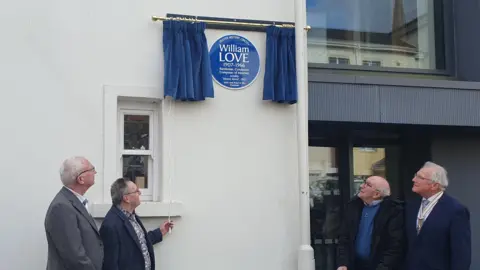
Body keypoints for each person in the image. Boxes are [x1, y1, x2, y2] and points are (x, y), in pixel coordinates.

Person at [404, 161, 471, 270]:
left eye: (420, 177)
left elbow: (461, 253)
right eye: (415, 176)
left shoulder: (455, 210)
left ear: (434, 185)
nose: (414, 180)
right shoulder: (411, 206)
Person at [100, 177, 174, 270]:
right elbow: (110, 264)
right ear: (126, 198)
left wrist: (160, 232)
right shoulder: (111, 225)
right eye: (136, 191)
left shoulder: (131, 216)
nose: (140, 193)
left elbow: (138, 242)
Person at [44, 156, 103, 270]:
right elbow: (75, 256)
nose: (95, 172)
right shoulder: (61, 207)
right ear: (80, 179)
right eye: (91, 169)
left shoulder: (74, 202)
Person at [336, 176, 405, 270]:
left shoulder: (393, 211)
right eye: (364, 183)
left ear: (376, 194)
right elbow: (344, 237)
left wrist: (383, 267)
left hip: (379, 266)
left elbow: (395, 245)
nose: (361, 186)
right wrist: (343, 263)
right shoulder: (353, 206)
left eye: (367, 185)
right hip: (354, 265)